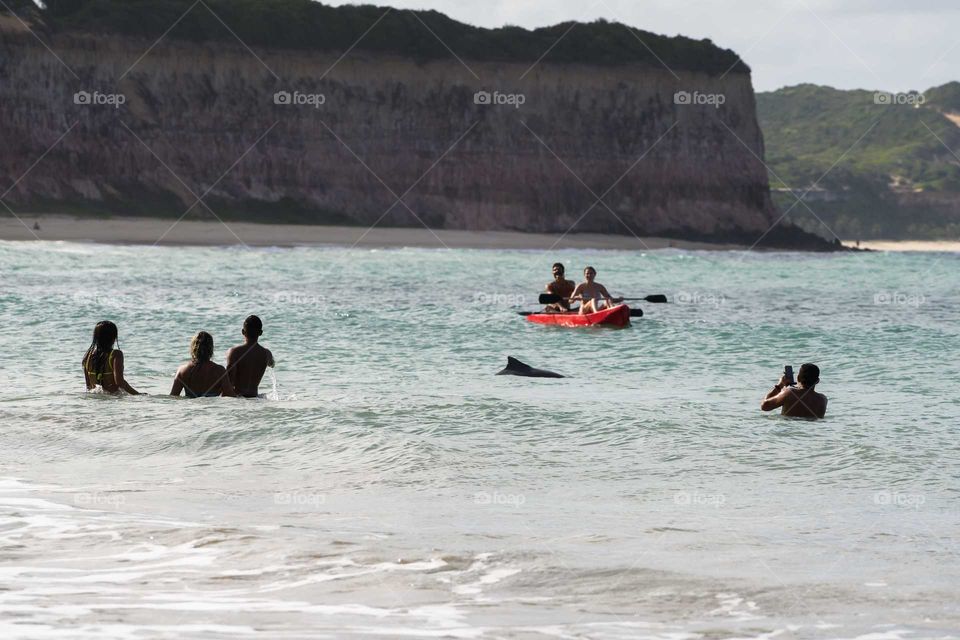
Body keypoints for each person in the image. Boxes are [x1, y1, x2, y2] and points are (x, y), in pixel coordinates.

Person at [82, 320, 142, 394]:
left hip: (95, 401)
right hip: (114, 400)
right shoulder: (116, 354)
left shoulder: (87, 357)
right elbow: (120, 382)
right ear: (113, 337)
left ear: (96, 337)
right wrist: (138, 394)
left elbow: (89, 387)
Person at [170, 331, 236, 398]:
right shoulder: (219, 371)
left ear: (193, 348)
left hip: (190, 407)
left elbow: (173, 397)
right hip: (212, 407)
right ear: (211, 348)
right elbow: (231, 396)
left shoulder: (182, 370)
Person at [226, 315, 275, 398]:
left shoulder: (235, 352)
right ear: (260, 333)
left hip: (238, 400)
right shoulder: (267, 354)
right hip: (255, 398)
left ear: (243, 332)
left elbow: (229, 382)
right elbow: (272, 364)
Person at [760, 363, 828, 419]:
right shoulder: (823, 399)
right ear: (817, 381)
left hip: (791, 433)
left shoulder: (789, 393)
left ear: (798, 378)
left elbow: (764, 406)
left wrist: (780, 386)